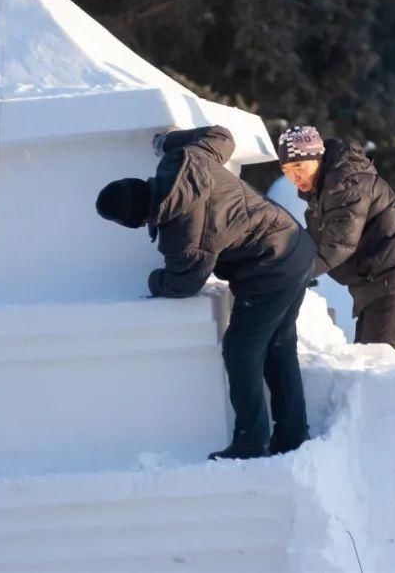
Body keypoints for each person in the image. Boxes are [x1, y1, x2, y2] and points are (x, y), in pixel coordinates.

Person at [96, 125, 314, 460]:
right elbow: (223, 136)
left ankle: (251, 442)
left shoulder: (181, 235)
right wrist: (167, 141)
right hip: (293, 241)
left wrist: (154, 280)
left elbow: (183, 283)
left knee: (242, 351)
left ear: (136, 221)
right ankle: (293, 434)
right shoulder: (185, 160)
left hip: (270, 266)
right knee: (278, 345)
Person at [278, 125, 395, 352]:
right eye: (286, 170)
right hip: (375, 282)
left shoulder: (346, 183)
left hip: (391, 278)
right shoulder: (326, 190)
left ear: (317, 157)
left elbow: (339, 244)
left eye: (298, 165)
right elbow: (315, 241)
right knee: (367, 359)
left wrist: (294, 275)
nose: (293, 176)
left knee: (376, 364)